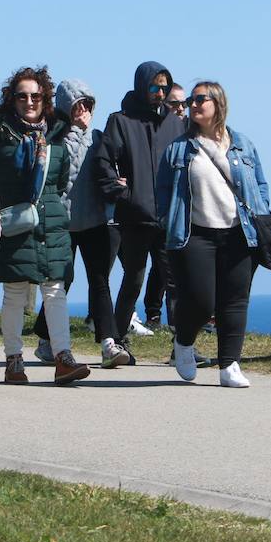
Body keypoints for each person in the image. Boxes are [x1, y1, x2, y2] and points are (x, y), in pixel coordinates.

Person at [156, 82, 271, 388]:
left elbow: (260, 184)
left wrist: (260, 213)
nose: (193, 105)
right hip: (194, 234)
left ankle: (229, 365)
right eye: (191, 100)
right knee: (201, 301)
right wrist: (167, 220)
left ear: (218, 103)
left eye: (199, 99)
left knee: (235, 300)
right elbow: (163, 192)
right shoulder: (179, 149)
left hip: (238, 232)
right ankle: (184, 342)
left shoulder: (243, 144)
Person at [0, 67, 90, 386]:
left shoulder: (57, 135)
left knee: (55, 291)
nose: (29, 101)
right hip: (15, 222)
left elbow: (61, 179)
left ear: (45, 98)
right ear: (11, 99)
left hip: (51, 222)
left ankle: (63, 358)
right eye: (22, 96)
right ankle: (13, 360)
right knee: (15, 292)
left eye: (36, 96)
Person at [95, 61, 185, 338]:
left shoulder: (175, 123)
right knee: (133, 280)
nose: (159, 93)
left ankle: (183, 346)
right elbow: (103, 162)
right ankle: (118, 339)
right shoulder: (121, 121)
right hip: (135, 217)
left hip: (169, 217)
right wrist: (124, 195)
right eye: (153, 87)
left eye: (164, 87)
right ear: (140, 86)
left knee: (176, 282)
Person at [45, 78, 129, 368]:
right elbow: (56, 178)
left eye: (88, 105)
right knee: (60, 281)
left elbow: (107, 170)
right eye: (78, 105)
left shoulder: (98, 138)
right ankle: (46, 338)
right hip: (63, 223)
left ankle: (109, 343)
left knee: (99, 281)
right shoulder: (54, 139)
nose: (83, 111)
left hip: (94, 220)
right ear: (66, 108)